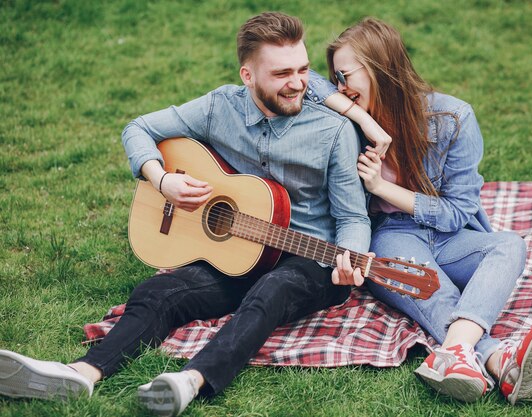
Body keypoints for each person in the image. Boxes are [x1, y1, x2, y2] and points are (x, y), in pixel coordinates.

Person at [0, 12, 372, 416]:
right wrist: (162, 181)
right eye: (282, 73)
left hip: (308, 257)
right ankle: (80, 374)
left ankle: (189, 382)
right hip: (237, 251)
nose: (298, 83)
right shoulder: (218, 107)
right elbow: (138, 128)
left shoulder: (333, 131)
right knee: (156, 293)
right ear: (247, 76)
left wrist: (349, 261)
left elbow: (353, 218)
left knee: (273, 291)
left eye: (303, 69)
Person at [307, 18, 532, 404]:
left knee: (509, 245)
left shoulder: (452, 118)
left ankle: (458, 354)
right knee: (434, 291)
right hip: (393, 237)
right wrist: (362, 119)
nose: (340, 88)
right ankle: (499, 359)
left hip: (450, 236)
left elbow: (458, 213)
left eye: (345, 76)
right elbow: (302, 79)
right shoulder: (350, 120)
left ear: (380, 69)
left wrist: (380, 186)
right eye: (336, 78)